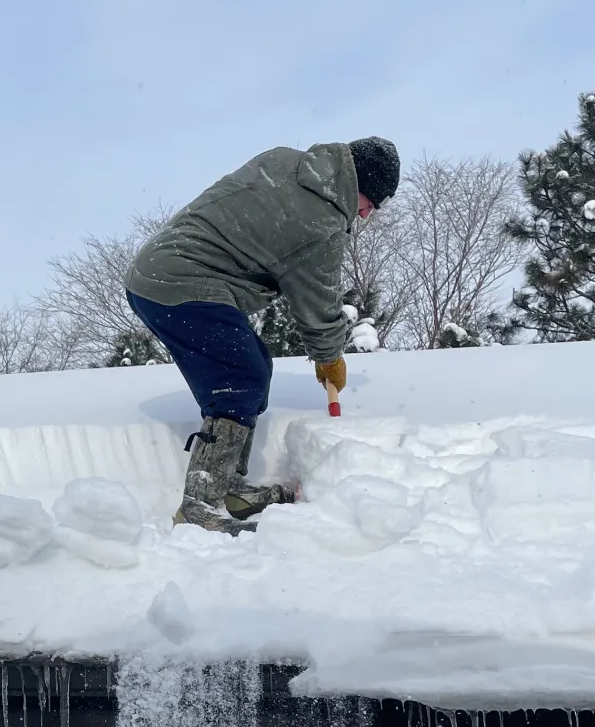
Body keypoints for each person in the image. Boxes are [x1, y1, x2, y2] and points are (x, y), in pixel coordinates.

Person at [125, 137, 398, 533]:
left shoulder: (285, 160)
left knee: (252, 365)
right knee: (239, 378)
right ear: (359, 184)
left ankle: (228, 484)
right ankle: (199, 507)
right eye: (371, 203)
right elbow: (318, 311)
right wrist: (330, 357)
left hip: (156, 270)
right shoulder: (320, 224)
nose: (366, 214)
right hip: (182, 282)